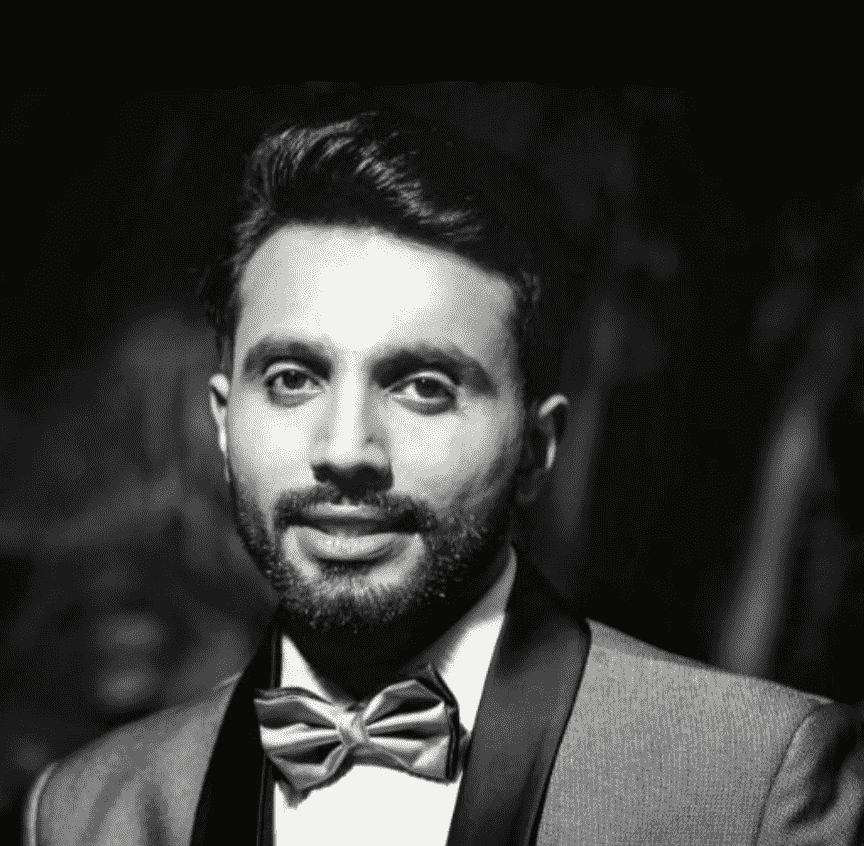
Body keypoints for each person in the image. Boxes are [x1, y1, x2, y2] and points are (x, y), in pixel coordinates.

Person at [24, 106, 863, 846]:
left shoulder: (756, 784)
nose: (346, 448)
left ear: (537, 448)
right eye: (292, 379)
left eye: (423, 387)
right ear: (222, 422)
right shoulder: (84, 811)